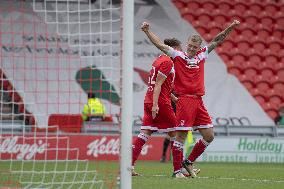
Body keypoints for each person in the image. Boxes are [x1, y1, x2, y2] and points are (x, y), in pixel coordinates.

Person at [141, 20, 240, 177]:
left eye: (195, 47)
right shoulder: (178, 55)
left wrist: (231, 27)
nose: (192, 49)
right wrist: (147, 31)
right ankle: (177, 171)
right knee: (181, 136)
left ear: (199, 47)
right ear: (187, 44)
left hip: (198, 101)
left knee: (209, 135)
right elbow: (160, 45)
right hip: (185, 100)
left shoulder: (202, 55)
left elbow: (217, 40)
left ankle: (188, 162)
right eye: (190, 46)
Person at [132, 38, 186, 178]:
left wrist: (174, 98)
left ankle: (129, 167)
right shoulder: (167, 62)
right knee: (177, 134)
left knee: (144, 134)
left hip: (149, 100)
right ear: (172, 48)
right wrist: (156, 105)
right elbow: (158, 85)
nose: (180, 52)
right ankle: (178, 170)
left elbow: (163, 85)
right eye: (179, 49)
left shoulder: (158, 60)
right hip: (160, 103)